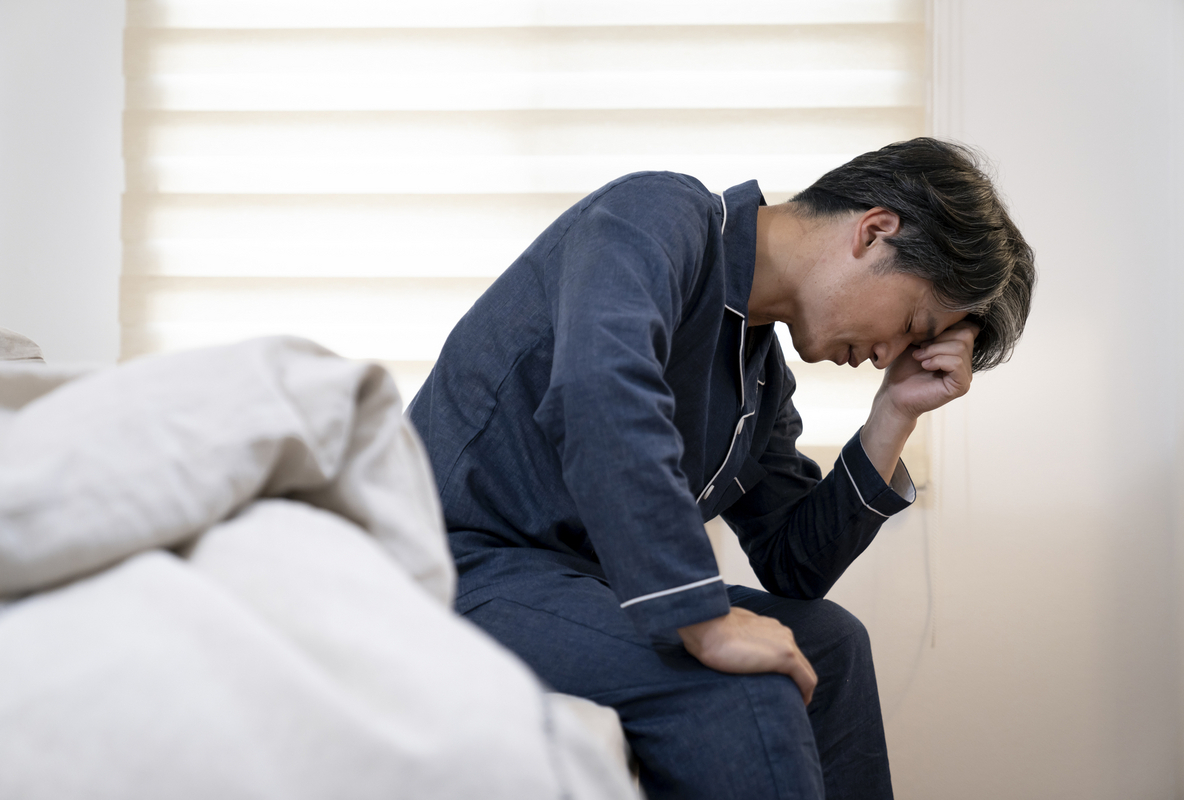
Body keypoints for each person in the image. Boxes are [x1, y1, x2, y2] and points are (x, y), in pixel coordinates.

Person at [407, 138, 1035, 800]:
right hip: (457, 567)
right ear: (875, 231)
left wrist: (893, 414)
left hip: (574, 585)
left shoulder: (759, 377)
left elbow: (795, 566)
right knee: (742, 684)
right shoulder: (656, 214)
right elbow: (599, 391)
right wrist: (700, 619)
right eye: (911, 323)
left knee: (832, 644)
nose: (889, 357)